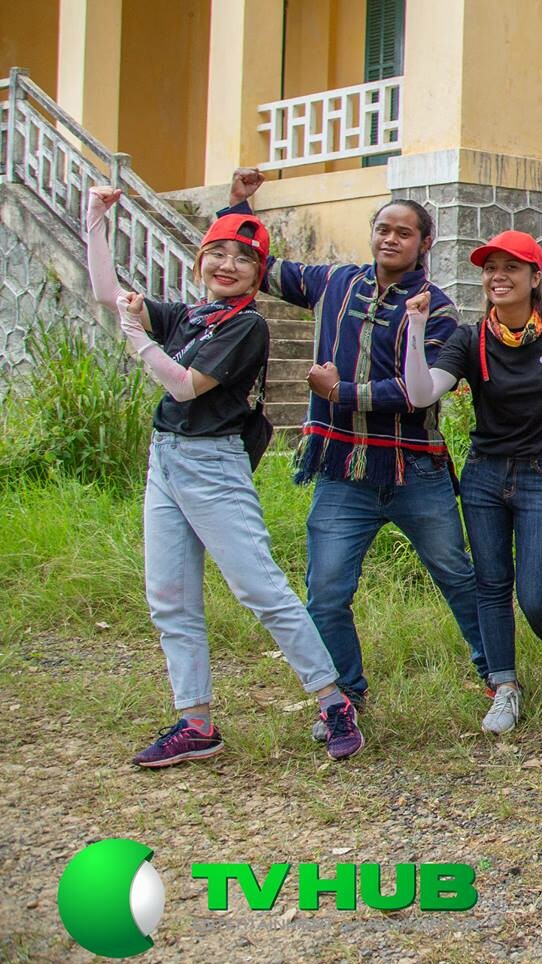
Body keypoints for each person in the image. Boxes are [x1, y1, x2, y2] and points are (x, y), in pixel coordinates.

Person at [84, 187, 364, 766]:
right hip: (165, 460)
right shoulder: (190, 316)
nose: (227, 265)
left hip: (213, 465)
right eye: (218, 253)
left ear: (258, 274)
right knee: (169, 597)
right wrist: (95, 221)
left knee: (259, 587)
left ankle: (333, 701)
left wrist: (136, 338)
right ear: (200, 261)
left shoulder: (247, 326)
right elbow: (109, 295)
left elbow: (184, 386)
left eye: (243, 259)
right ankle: (196, 723)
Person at [218, 169, 488, 743]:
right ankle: (345, 695)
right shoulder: (334, 283)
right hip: (342, 469)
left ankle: (497, 676)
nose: (390, 239)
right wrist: (239, 206)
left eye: (404, 232)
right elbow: (260, 266)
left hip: (415, 470)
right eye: (383, 229)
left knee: (457, 576)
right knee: (327, 591)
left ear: (425, 243)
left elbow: (416, 393)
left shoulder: (438, 311)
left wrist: (341, 393)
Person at [401, 231, 542, 734]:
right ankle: (505, 687)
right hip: (485, 474)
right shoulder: (469, 339)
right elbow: (421, 394)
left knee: (535, 595)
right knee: (491, 586)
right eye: (491, 269)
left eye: (511, 267)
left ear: (534, 277)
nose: (498, 277)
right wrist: (416, 330)